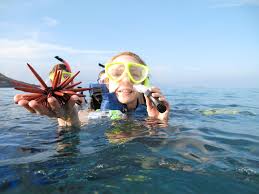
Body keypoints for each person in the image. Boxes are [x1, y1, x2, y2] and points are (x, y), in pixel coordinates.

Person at [14, 52, 170, 127]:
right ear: (107, 82)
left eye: (135, 73)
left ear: (144, 81)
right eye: (117, 73)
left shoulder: (155, 109)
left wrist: (161, 124)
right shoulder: (99, 112)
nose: (125, 79)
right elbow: (80, 121)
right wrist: (67, 118)